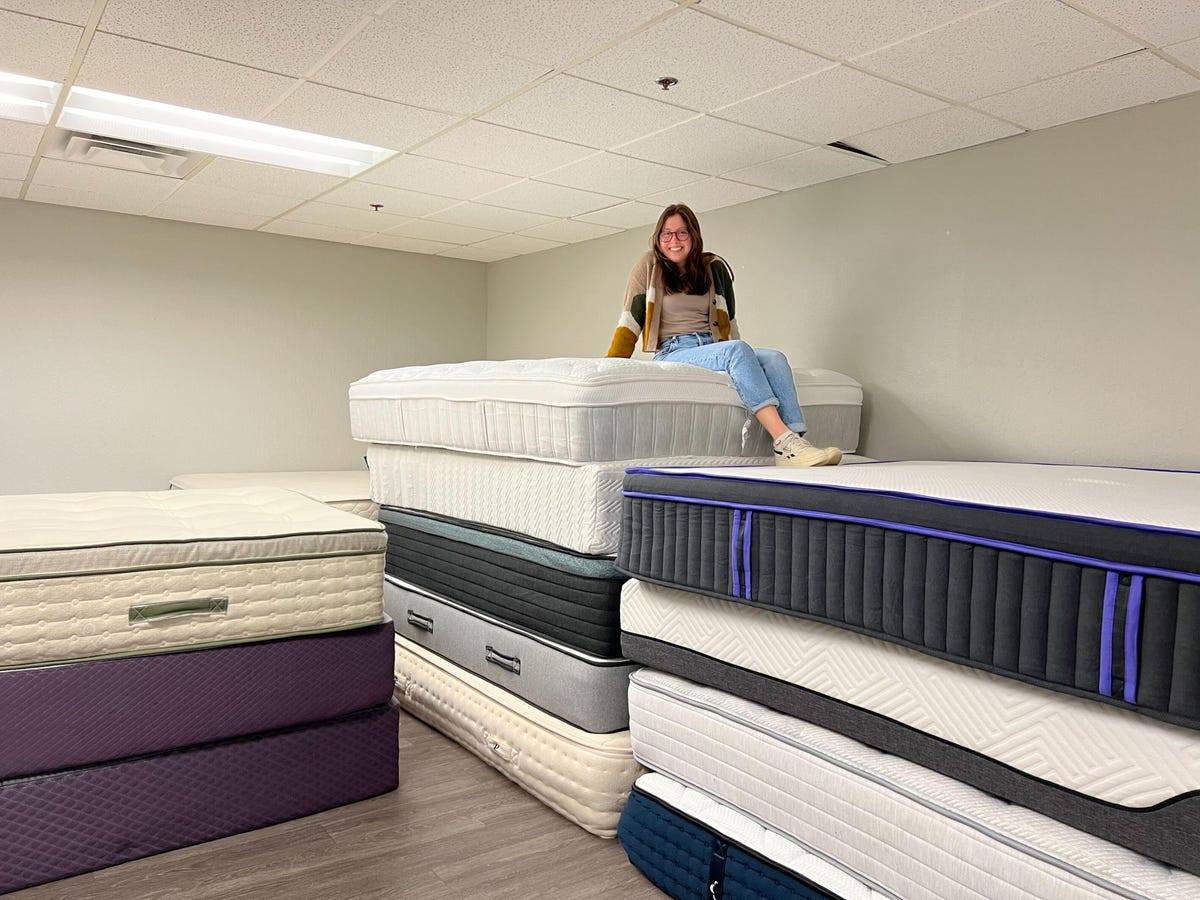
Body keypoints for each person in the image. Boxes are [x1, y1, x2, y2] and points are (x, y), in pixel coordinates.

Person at [606, 203, 841, 467]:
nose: (674, 240)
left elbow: (728, 320)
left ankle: (794, 444)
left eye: (682, 233)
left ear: (694, 236)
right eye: (666, 234)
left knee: (774, 358)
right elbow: (630, 320)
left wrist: (741, 356)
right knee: (737, 350)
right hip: (675, 350)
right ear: (658, 238)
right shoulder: (648, 266)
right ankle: (783, 439)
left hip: (712, 346)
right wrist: (609, 367)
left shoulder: (713, 267)